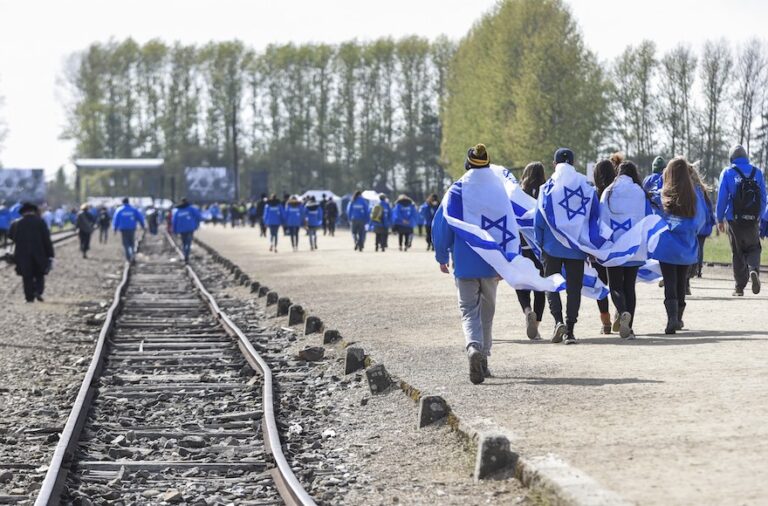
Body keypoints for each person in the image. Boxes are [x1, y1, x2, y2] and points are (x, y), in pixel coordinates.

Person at [433, 143, 500, 384]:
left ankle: (473, 347)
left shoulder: (455, 191)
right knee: (487, 312)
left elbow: (441, 225)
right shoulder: (497, 191)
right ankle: (484, 360)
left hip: (463, 262)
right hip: (491, 262)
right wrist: (507, 261)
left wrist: (442, 256)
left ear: (467, 165)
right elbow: (507, 225)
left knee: (469, 311)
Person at [535, 148, 597, 344]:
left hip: (551, 246)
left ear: (554, 164)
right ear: (573, 163)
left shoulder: (547, 188)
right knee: (574, 289)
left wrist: (539, 242)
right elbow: (594, 217)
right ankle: (570, 330)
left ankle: (558, 321)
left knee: (552, 285)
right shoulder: (586, 187)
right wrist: (593, 246)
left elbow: (539, 219)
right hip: (577, 247)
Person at [599, 161, 653, 339]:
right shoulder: (640, 192)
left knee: (615, 286)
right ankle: (629, 328)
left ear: (618, 172)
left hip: (613, 247)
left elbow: (601, 219)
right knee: (629, 287)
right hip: (634, 247)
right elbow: (648, 218)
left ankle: (622, 312)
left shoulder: (609, 191)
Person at [652, 157, 706, 333]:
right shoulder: (695, 194)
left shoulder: (662, 193)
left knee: (669, 282)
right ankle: (679, 318)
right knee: (682, 281)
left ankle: (671, 318)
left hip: (667, 246)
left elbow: (654, 216)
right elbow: (700, 220)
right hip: (686, 245)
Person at [716, 145, 766, 296]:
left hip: (734, 220)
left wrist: (719, 218)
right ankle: (753, 270)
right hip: (752, 220)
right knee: (754, 248)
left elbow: (722, 198)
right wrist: (758, 215)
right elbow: (763, 198)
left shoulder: (728, 172)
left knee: (737, 252)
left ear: (731, 158)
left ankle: (739, 287)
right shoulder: (757, 172)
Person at [515, 162, 547, 340]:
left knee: (522, 285)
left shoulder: (518, 194)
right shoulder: (545, 192)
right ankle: (537, 326)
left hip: (521, 247)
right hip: (540, 248)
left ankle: (528, 311)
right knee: (540, 287)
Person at [8, 203, 54, 302]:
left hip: (22, 254)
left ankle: (29, 297)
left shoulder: (17, 223)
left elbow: (11, 236)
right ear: (33, 211)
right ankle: (38, 291)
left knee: (27, 276)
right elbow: (46, 239)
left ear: (22, 212)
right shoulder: (40, 222)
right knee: (39, 274)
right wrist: (50, 254)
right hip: (40, 253)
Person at [593, 158, 617, 334]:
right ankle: (620, 312)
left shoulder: (593, 194)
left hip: (598, 246)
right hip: (616, 244)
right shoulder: (617, 193)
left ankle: (605, 321)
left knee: (601, 285)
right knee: (618, 284)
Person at [688, 166, 716, 282]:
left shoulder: (689, 189)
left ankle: (691, 269)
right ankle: (698, 269)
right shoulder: (702, 189)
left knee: (692, 246)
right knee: (700, 247)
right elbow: (708, 207)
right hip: (704, 225)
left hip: (693, 224)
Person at [112, 198, 145, 262]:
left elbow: (116, 220)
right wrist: (142, 225)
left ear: (122, 202)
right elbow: (140, 217)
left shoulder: (119, 210)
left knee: (125, 243)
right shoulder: (133, 210)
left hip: (123, 229)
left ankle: (128, 257)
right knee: (131, 242)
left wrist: (115, 229)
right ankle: (132, 255)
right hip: (131, 228)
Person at [172, 198, 203, 263]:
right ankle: (187, 254)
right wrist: (196, 224)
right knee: (188, 242)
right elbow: (199, 216)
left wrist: (174, 230)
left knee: (184, 242)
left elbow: (174, 221)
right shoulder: (191, 209)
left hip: (181, 229)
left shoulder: (178, 211)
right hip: (190, 228)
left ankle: (185, 254)